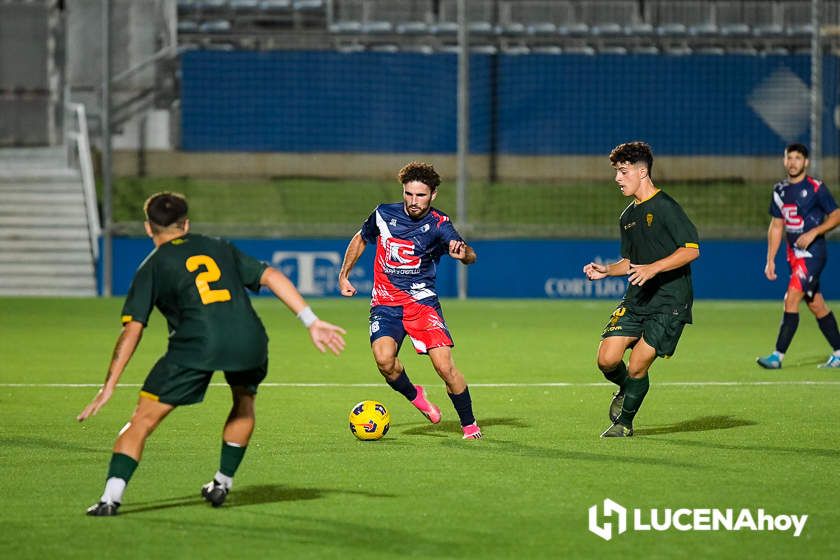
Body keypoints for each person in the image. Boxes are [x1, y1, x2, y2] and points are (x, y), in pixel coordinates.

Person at [78, 192, 346, 516]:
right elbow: (271, 275)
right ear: (186, 224)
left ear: (149, 228)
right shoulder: (218, 246)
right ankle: (222, 483)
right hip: (248, 339)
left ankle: (110, 499)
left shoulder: (153, 265)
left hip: (196, 346)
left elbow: (133, 329)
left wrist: (109, 385)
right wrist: (311, 321)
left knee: (142, 421)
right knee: (244, 402)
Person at [337, 161, 482, 439]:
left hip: (421, 304)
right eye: (409, 194)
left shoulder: (440, 225)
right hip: (385, 302)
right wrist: (344, 275)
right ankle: (416, 395)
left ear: (433, 195)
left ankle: (469, 424)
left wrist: (463, 254)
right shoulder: (382, 214)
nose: (414, 201)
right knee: (384, 361)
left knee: (444, 366)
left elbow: (469, 255)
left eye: (421, 195)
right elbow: (360, 238)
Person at [583, 141, 700, 438]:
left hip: (670, 300)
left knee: (637, 364)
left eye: (623, 172)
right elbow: (631, 261)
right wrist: (607, 270)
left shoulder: (666, 207)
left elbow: (691, 250)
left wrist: (654, 268)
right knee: (606, 359)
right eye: (617, 173)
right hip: (638, 298)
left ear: (643, 171)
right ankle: (627, 387)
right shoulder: (627, 217)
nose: (618, 178)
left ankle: (624, 423)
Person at [757, 143, 840, 369]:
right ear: (784, 161)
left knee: (791, 298)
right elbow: (776, 226)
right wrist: (770, 259)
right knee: (816, 305)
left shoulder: (816, 188)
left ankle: (777, 356)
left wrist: (815, 231)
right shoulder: (780, 190)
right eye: (789, 157)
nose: (793, 162)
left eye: (798, 158)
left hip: (813, 254)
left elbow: (836, 215)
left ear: (806, 162)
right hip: (793, 255)